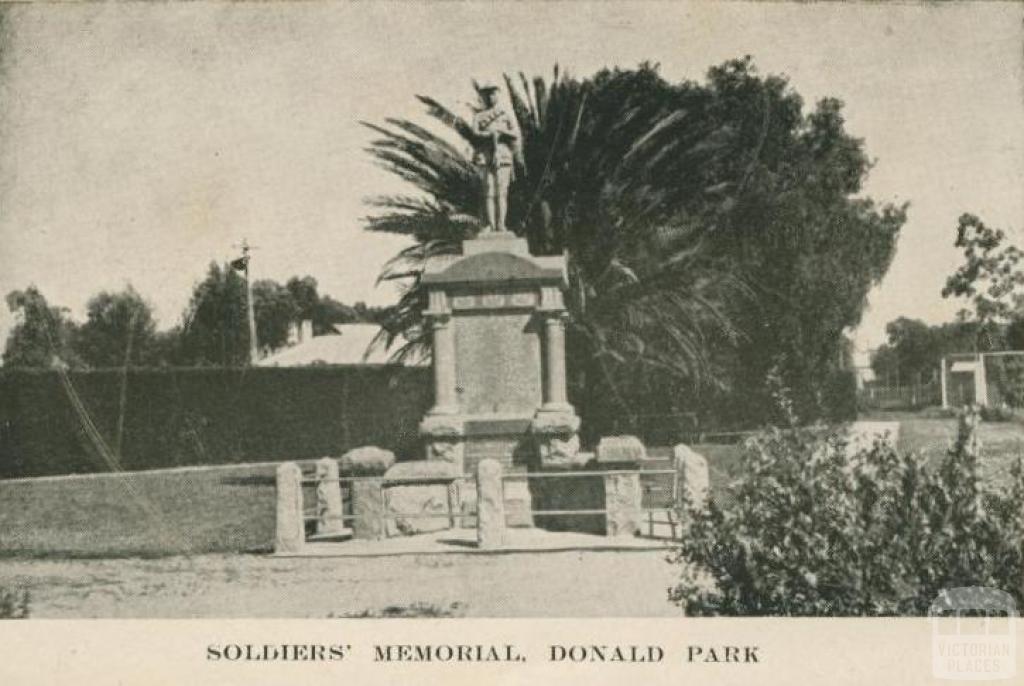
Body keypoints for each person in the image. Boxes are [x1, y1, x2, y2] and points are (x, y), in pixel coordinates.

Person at [471, 81, 517, 233]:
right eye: (487, 94)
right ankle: (490, 225)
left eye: (493, 93)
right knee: (488, 191)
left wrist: (502, 132)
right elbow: (475, 133)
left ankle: (501, 225)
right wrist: (488, 134)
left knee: (501, 191)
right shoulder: (479, 116)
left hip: (502, 155)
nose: (490, 97)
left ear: (498, 94)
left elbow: (515, 133)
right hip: (485, 155)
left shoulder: (506, 114)